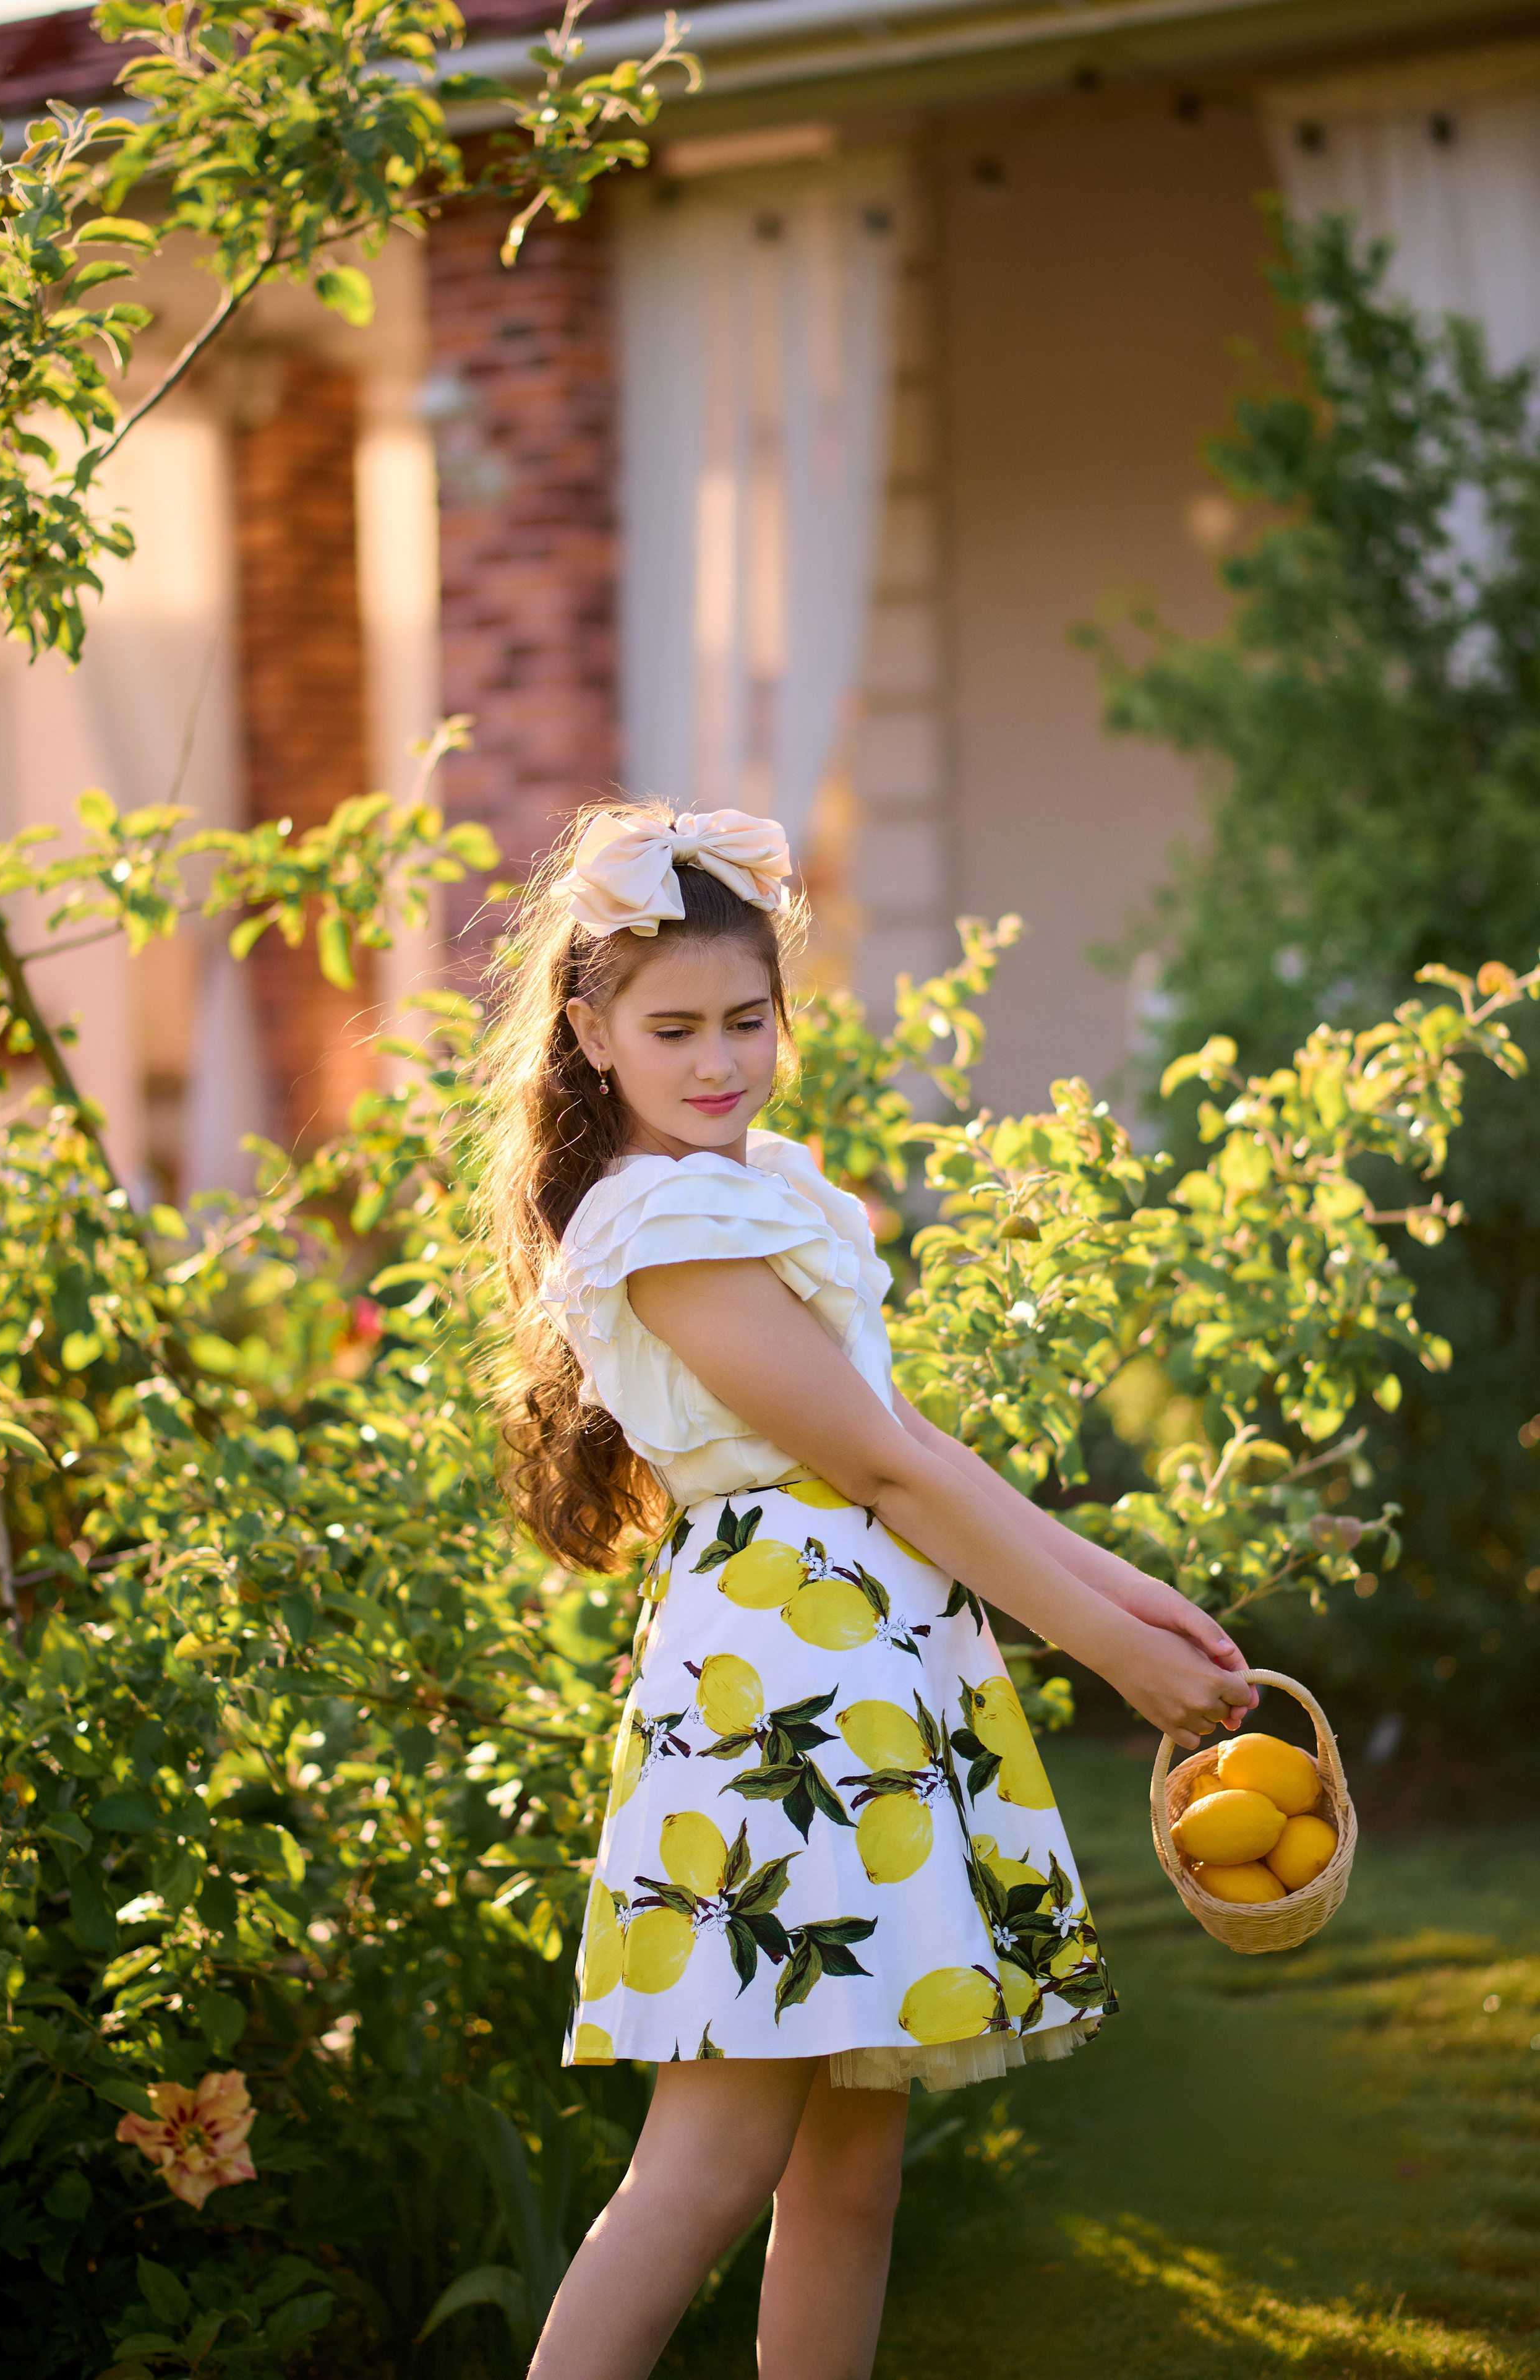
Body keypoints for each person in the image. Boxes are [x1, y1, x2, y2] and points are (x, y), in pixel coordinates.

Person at [486, 802, 1257, 2380]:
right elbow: (879, 1468)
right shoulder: (662, 1219)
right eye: (674, 1027)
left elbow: (909, 1445)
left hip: (862, 1664)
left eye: (747, 1021)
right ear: (591, 1032)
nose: (719, 1061)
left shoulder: (750, 1180)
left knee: (849, 2171)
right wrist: (1106, 1651)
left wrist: (1131, 1588)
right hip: (782, 1688)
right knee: (704, 2169)